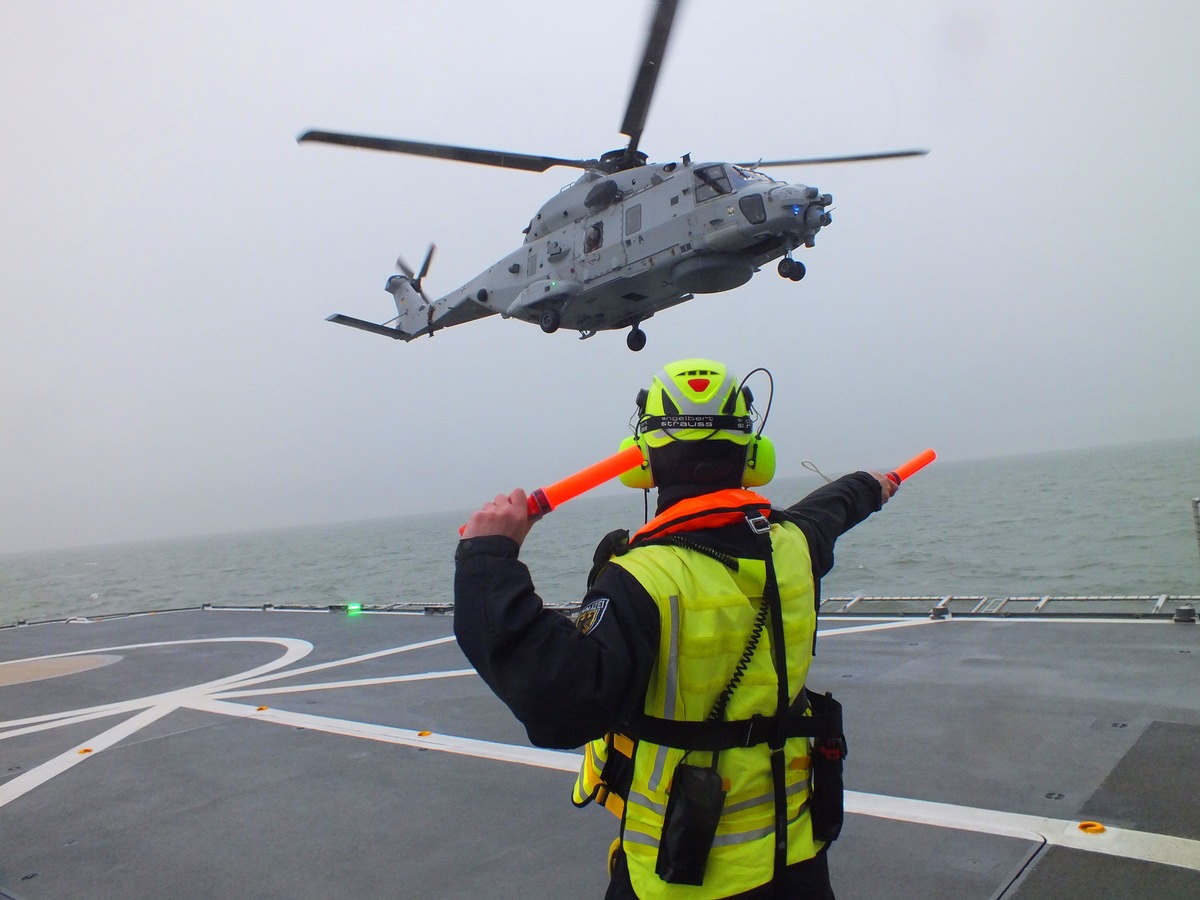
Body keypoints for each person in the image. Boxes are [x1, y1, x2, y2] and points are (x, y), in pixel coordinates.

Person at [455, 358, 896, 899]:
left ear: (642, 462)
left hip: (678, 875)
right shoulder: (794, 545)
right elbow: (832, 509)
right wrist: (872, 485)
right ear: (752, 454)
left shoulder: (639, 579)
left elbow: (558, 707)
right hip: (795, 857)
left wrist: (487, 561)